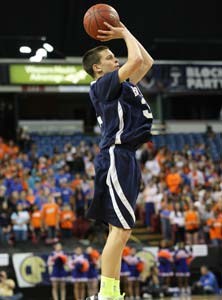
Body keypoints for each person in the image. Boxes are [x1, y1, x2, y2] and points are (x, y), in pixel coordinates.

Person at [82, 19, 153, 300]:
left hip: (126, 156)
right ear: (97, 67)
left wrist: (127, 30)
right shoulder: (102, 85)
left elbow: (145, 61)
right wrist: (122, 33)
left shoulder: (121, 85)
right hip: (116, 154)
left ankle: (108, 293)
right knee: (121, 230)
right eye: (110, 58)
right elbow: (134, 58)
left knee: (120, 231)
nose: (116, 60)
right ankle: (107, 294)